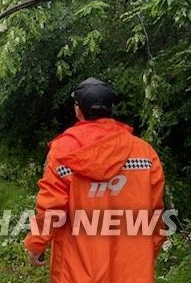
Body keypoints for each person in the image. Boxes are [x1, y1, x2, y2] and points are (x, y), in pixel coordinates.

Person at [24, 77, 166, 282]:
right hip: (131, 267)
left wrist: (37, 244)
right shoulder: (144, 152)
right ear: (111, 109)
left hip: (78, 267)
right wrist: (150, 247)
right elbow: (155, 212)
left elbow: (52, 208)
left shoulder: (63, 151)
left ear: (77, 109)